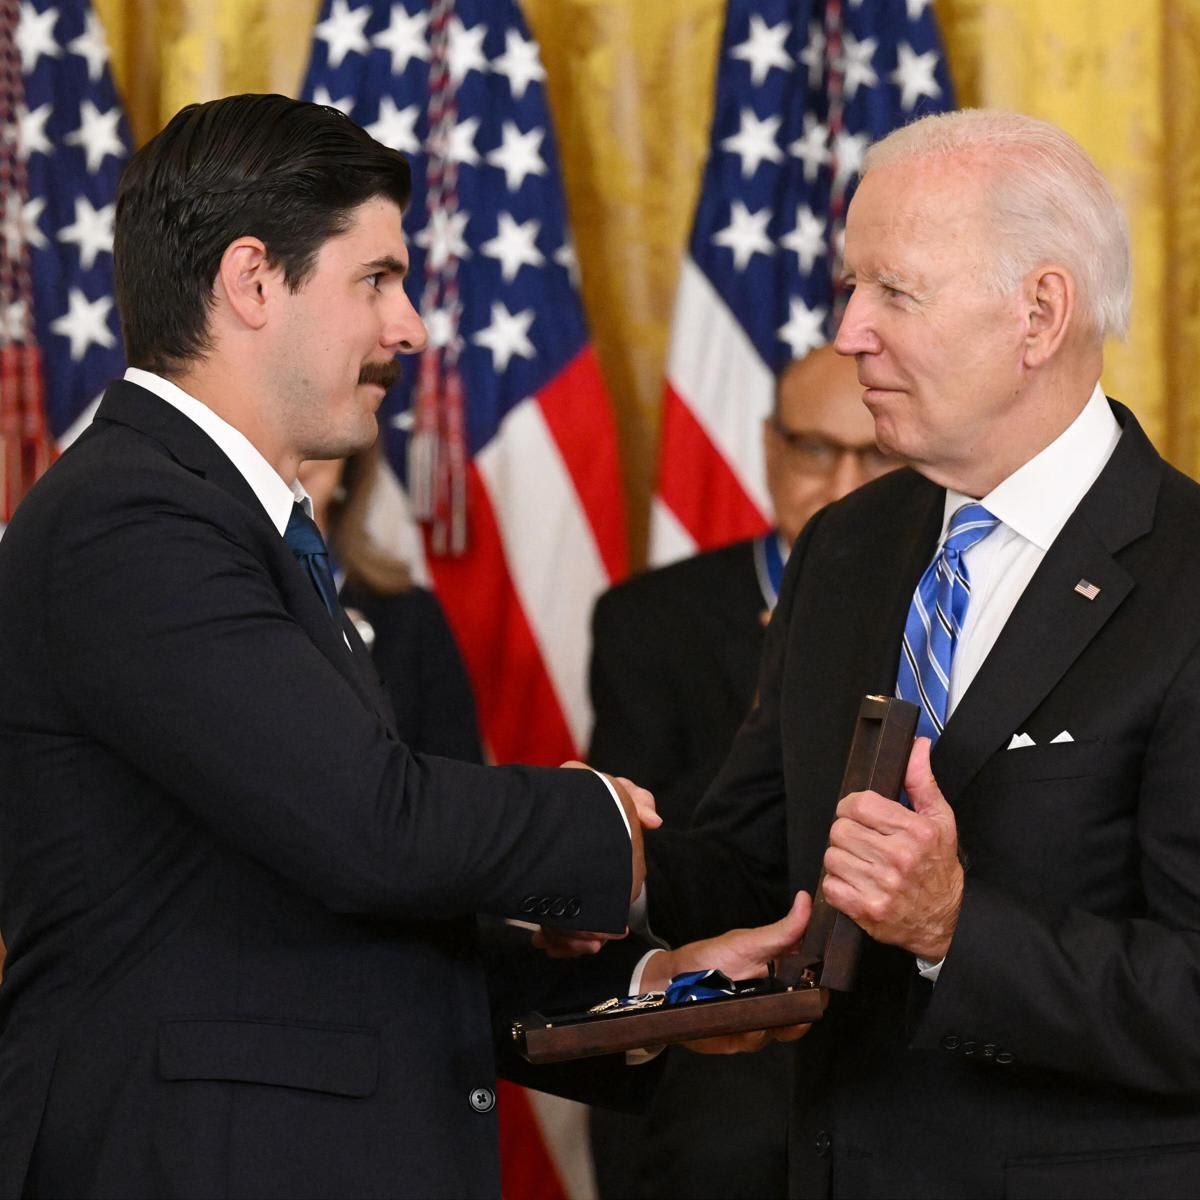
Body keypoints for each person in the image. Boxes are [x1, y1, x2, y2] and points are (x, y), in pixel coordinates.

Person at [0, 94, 657, 1200]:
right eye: (377, 279)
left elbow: (296, 905)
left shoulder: (220, 517)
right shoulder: (135, 517)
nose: (409, 327)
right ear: (252, 282)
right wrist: (595, 821)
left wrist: (651, 988)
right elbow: (368, 826)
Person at [635, 108, 1200, 1198]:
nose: (848, 332)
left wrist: (955, 927)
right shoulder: (848, 544)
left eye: (893, 293)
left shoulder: (1187, 579)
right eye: (852, 289)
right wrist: (595, 844)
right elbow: (761, 866)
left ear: (1038, 313)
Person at [587, 344, 896, 1198]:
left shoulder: (938, 605)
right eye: (812, 449)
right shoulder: (650, 621)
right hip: (715, 1081)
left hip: (905, 1072)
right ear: (767, 447)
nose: (840, 482)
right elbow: (662, 843)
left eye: (873, 455)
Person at [299, 449, 484, 763]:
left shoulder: (411, 613)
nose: (303, 457)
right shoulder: (218, 591)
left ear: (350, 465)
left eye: (318, 440)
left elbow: (458, 778)